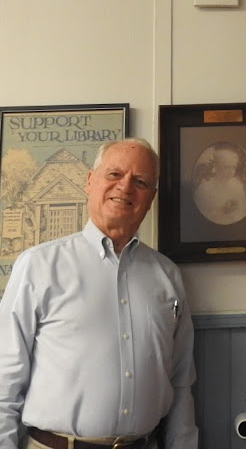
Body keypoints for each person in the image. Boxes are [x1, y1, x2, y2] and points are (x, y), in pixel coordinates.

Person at [0, 138, 198, 449]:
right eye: (114, 174)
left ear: (151, 197)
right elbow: (4, 378)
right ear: (90, 182)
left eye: (141, 181)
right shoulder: (38, 266)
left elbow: (181, 382)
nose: (126, 187)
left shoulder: (168, 276)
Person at [192, 145, 246, 225]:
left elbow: (244, 211)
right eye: (227, 167)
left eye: (233, 167)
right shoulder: (205, 189)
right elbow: (199, 216)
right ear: (216, 167)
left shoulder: (237, 185)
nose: (231, 172)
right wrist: (222, 211)